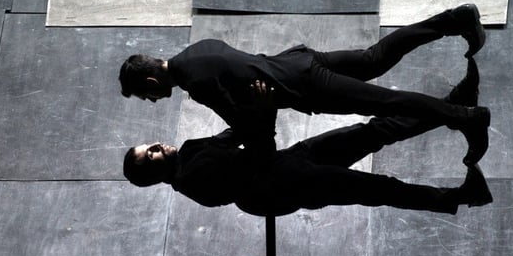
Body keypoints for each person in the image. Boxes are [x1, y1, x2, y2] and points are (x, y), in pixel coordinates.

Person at [119, 5, 490, 164]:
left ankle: (467, 117)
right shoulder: (195, 51)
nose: (152, 100)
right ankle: (454, 19)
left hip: (305, 85)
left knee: (387, 103)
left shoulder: (195, 83)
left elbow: (249, 125)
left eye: (146, 94)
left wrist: (251, 122)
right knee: (374, 57)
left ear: (152, 80)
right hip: (297, 60)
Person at [123, 59, 492, 217]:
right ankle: (461, 197)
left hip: (291, 162)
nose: (158, 147)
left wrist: (251, 105)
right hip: (286, 185)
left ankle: (452, 107)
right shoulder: (193, 180)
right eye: (150, 156)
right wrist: (264, 113)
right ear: (153, 175)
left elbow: (232, 133)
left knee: (372, 131)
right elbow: (257, 157)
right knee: (378, 188)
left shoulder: (189, 151)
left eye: (150, 145)